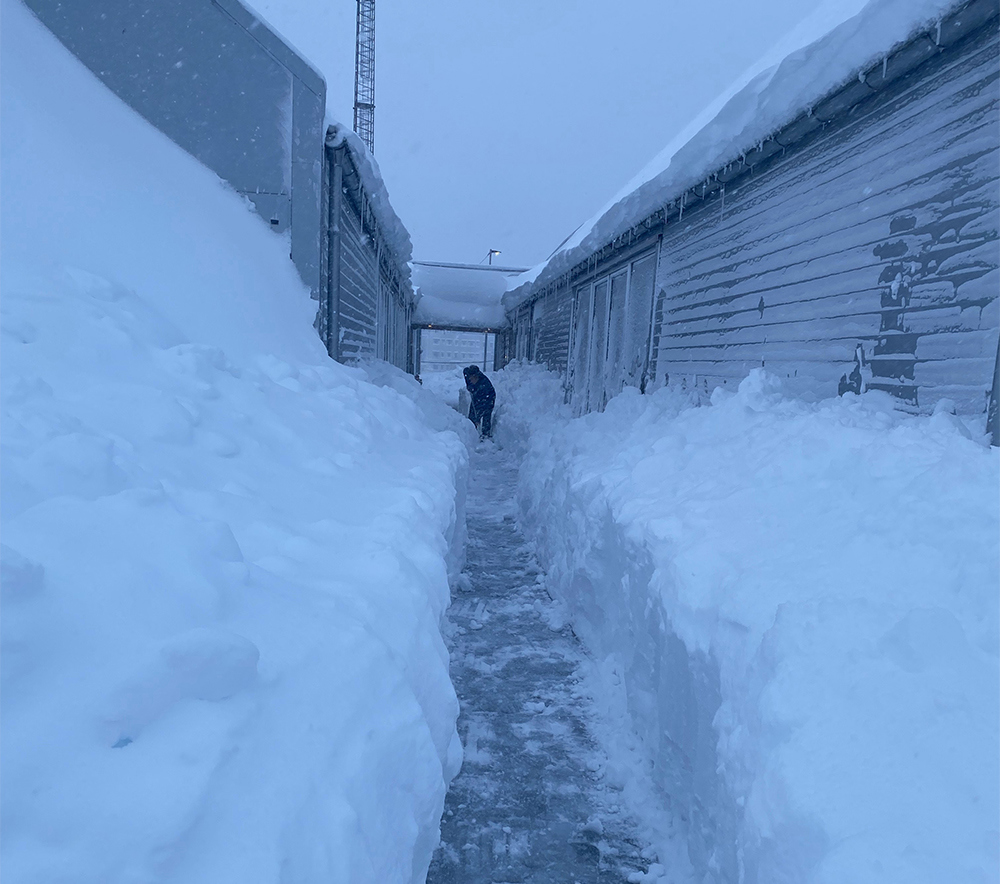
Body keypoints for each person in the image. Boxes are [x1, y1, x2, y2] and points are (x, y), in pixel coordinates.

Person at [463, 365, 495, 439]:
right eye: (469, 378)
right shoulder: (468, 374)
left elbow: (482, 406)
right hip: (476, 395)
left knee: (486, 413)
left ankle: (485, 434)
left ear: (476, 377)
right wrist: (469, 386)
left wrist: (478, 418)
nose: (470, 380)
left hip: (488, 398)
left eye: (472, 379)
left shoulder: (484, 386)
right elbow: (465, 371)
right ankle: (470, 431)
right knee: (472, 414)